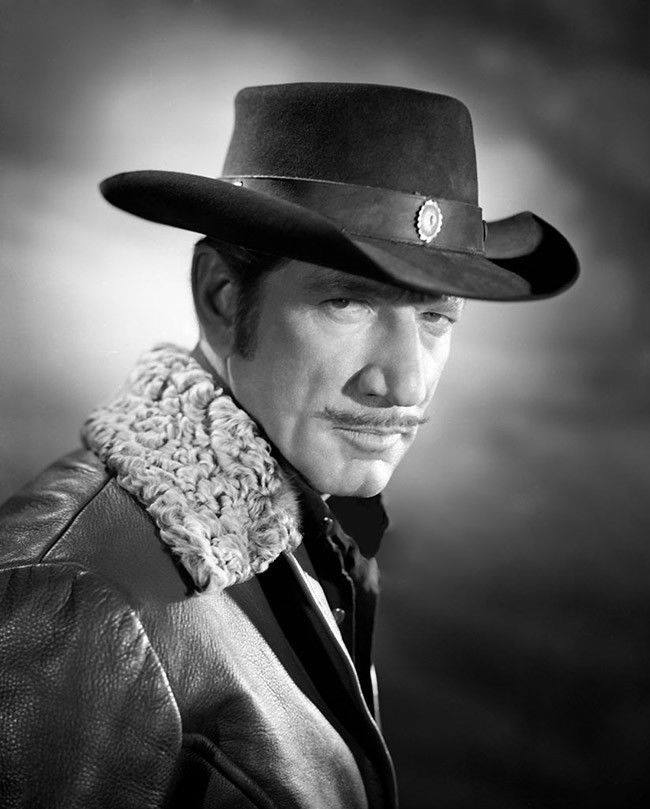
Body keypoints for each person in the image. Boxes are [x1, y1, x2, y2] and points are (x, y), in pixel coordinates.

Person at [0, 83, 578, 809]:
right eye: (347, 301)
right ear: (222, 297)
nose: (404, 383)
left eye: (436, 316)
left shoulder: (305, 532)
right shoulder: (78, 593)